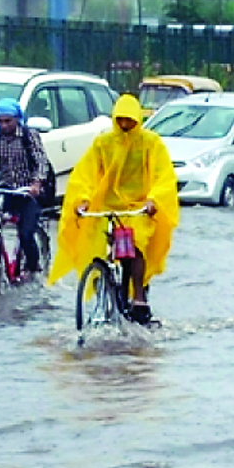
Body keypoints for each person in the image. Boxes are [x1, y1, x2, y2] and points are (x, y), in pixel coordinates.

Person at [47, 94, 179, 325]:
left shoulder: (151, 142)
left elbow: (163, 175)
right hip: (106, 207)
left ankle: (138, 296)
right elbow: (86, 174)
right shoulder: (103, 143)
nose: (125, 125)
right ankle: (102, 283)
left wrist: (153, 200)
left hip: (138, 207)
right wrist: (83, 199)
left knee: (136, 244)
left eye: (130, 120)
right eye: (121, 120)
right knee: (96, 246)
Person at [0, 99, 50, 277]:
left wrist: (36, 183)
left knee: (25, 233)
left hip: (28, 191)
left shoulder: (28, 135)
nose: (4, 125)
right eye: (0, 121)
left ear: (17, 119)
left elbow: (41, 161)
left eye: (8, 121)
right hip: (6, 186)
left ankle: (33, 265)